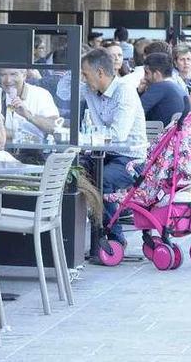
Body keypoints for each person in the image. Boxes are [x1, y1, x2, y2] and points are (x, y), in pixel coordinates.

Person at [80, 49, 147, 249]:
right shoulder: (90, 90)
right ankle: (79, 235)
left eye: (85, 74)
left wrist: (85, 137)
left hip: (131, 159)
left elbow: (118, 135)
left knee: (101, 180)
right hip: (104, 153)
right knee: (74, 173)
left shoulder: (124, 91)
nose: (83, 79)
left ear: (100, 72)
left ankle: (113, 237)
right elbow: (63, 92)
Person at [0, 68, 59, 142]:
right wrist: (21, 136)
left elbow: (55, 127)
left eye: (13, 74)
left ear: (24, 75)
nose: (8, 80)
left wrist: (29, 115)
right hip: (4, 151)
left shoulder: (41, 94)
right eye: (3, 75)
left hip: (36, 152)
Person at [139, 53, 190, 126]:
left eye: (147, 73)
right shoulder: (178, 86)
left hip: (158, 135)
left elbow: (136, 111)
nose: (144, 77)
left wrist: (139, 92)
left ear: (157, 74)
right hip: (176, 134)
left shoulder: (159, 86)